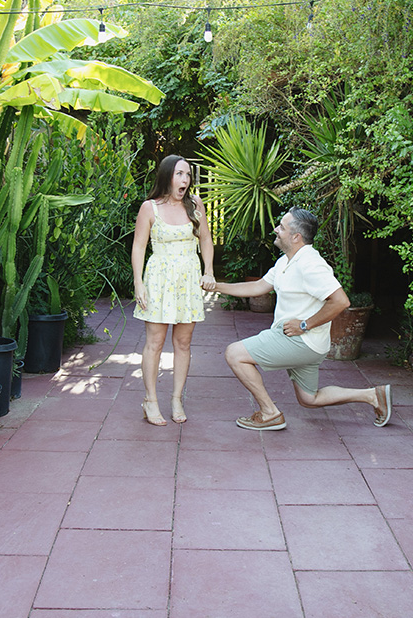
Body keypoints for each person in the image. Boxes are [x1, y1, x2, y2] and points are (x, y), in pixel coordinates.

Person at [204, 207, 391, 430]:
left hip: (300, 340)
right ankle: (373, 396)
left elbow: (341, 301)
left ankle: (269, 413)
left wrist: (305, 325)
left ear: (296, 236)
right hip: (308, 344)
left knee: (235, 354)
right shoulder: (287, 261)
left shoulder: (310, 264)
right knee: (309, 399)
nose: (276, 229)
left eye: (281, 227)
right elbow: (258, 286)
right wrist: (216, 286)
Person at [132, 155, 215, 425]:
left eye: (188, 175)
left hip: (188, 280)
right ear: (168, 176)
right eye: (180, 174)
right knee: (155, 343)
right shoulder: (149, 208)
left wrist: (209, 271)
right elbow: (139, 247)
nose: (185, 180)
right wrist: (138, 283)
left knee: (183, 343)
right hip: (158, 279)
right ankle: (150, 400)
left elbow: (205, 240)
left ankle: (177, 399)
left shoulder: (194, 205)